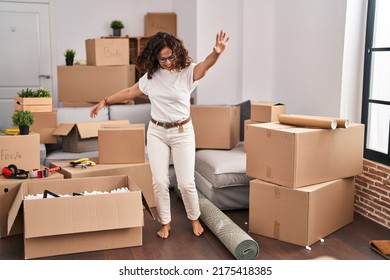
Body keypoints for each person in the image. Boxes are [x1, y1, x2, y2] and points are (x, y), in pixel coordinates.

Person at [90, 30, 229, 239]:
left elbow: (204, 66)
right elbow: (129, 92)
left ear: (177, 52)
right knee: (160, 181)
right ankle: (166, 222)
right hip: (157, 132)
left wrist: (216, 53)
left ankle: (194, 218)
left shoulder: (187, 72)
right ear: (155, 57)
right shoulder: (151, 77)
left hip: (182, 132)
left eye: (170, 57)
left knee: (185, 183)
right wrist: (105, 101)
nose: (167, 62)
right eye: (162, 58)